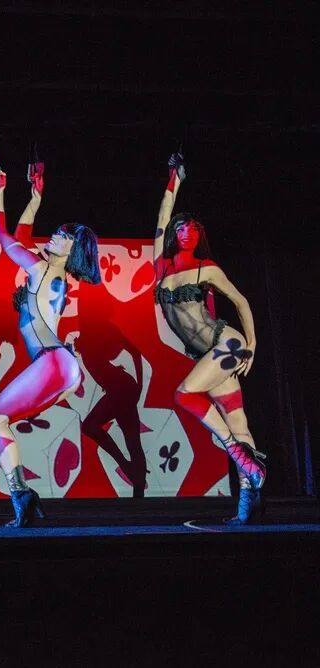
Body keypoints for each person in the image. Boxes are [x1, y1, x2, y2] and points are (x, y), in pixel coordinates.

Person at [0, 162, 100, 527]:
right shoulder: (52, 271)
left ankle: (21, 495)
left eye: (62, 236)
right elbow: (22, 234)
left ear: (73, 249)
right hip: (62, 368)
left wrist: (0, 190)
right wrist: (35, 197)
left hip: (53, 362)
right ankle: (23, 497)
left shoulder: (42, 269)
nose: (53, 236)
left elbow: (5, 235)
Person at [152, 151, 265, 524]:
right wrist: (174, 180)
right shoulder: (162, 267)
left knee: (184, 395)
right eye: (182, 229)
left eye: (194, 229)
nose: (187, 233)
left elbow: (241, 301)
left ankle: (237, 454)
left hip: (226, 343)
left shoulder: (208, 269)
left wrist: (252, 344)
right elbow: (162, 217)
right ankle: (248, 503)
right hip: (210, 355)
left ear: (200, 236)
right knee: (238, 421)